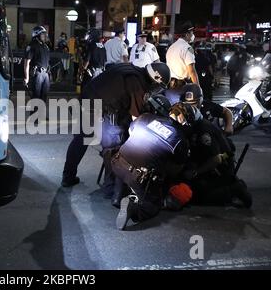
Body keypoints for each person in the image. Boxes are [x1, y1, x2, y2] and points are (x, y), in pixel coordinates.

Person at [61, 62, 172, 187]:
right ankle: (111, 187)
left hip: (86, 99)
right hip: (101, 109)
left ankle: (67, 176)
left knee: (80, 141)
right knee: (113, 146)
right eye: (158, 86)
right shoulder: (137, 84)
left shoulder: (129, 67)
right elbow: (138, 116)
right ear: (155, 79)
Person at [112, 102, 192, 230]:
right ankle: (133, 208)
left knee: (129, 160)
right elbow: (176, 169)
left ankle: (117, 195)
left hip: (117, 162)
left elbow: (131, 131)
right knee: (152, 206)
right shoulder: (179, 138)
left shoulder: (147, 117)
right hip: (138, 176)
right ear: (185, 122)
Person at [183, 106, 252, 209]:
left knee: (198, 197)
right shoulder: (198, 126)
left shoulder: (203, 132)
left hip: (220, 165)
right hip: (212, 159)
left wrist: (196, 172)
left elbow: (216, 159)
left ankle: (234, 189)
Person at [166, 21, 200, 88]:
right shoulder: (187, 48)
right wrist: (198, 88)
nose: (193, 35)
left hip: (170, 85)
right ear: (187, 34)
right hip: (182, 86)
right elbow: (192, 71)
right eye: (192, 33)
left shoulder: (171, 47)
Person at [24, 26, 51, 103]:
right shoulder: (32, 45)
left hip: (45, 74)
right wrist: (27, 77)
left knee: (44, 98)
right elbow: (27, 62)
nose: (45, 36)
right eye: (43, 34)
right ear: (37, 35)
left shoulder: (45, 46)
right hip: (37, 74)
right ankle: (34, 114)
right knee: (36, 98)